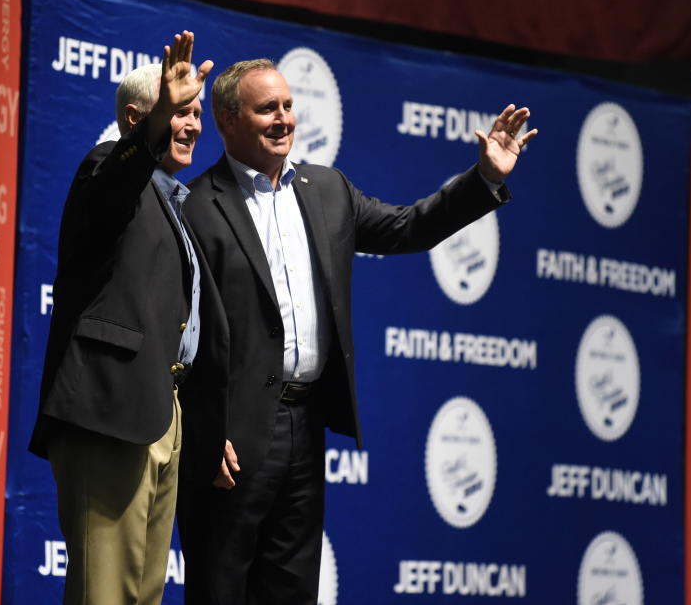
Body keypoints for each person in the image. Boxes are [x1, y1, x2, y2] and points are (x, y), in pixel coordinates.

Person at [177, 58, 538, 605]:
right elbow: (180, 332)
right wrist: (204, 428)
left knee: (291, 589)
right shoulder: (198, 206)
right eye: (266, 108)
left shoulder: (327, 189)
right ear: (227, 121)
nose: (283, 119)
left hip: (305, 426)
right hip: (231, 438)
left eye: (288, 106)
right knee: (220, 588)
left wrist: (484, 178)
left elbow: (407, 227)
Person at [28, 31, 213, 605]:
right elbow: (115, 188)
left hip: (161, 414)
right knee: (104, 594)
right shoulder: (106, 168)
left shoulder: (175, 203)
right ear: (140, 116)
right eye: (181, 111)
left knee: (143, 594)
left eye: (196, 113)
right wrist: (153, 129)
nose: (193, 125)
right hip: (108, 410)